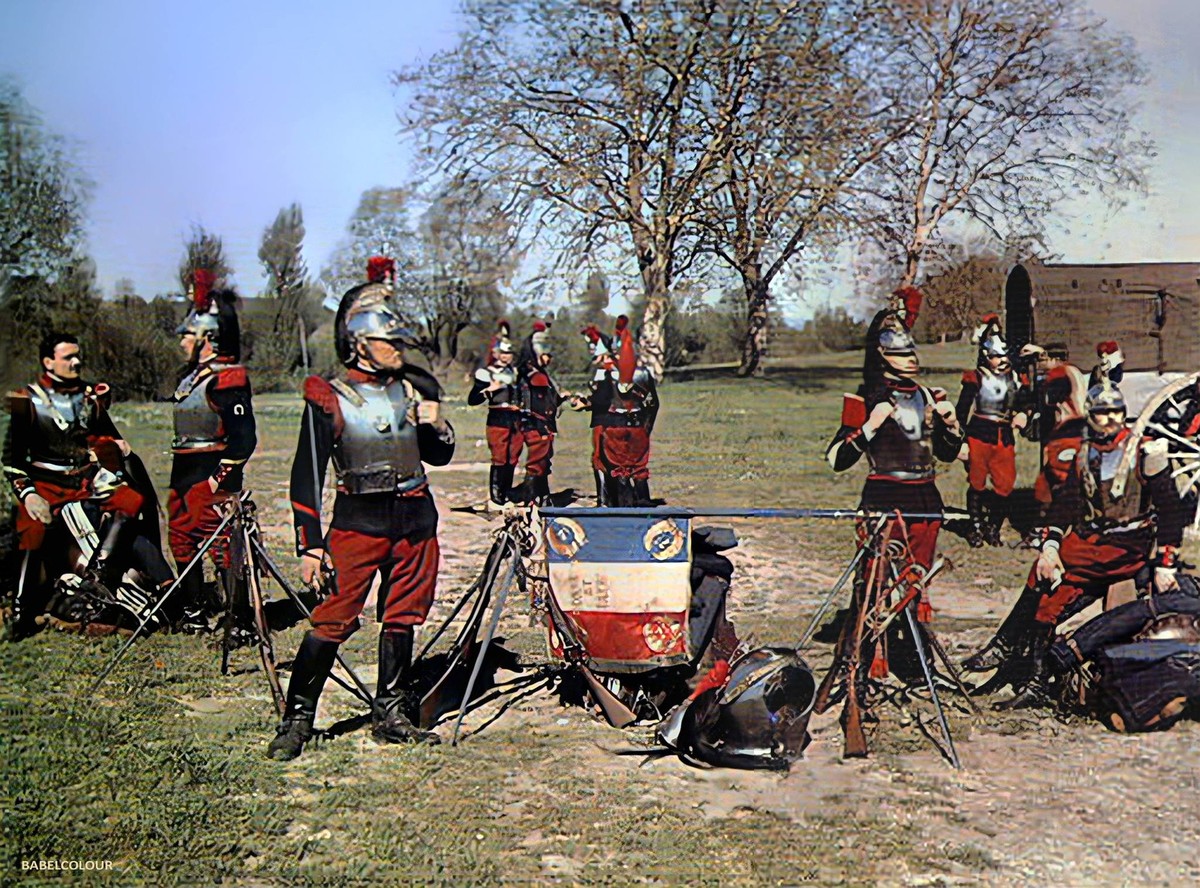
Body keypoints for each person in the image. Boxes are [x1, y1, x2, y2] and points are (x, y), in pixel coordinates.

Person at [270, 257, 455, 760]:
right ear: (360, 343)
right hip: (358, 523)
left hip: (416, 519)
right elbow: (305, 474)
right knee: (331, 618)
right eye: (389, 342)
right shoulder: (329, 396)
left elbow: (440, 455)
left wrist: (435, 426)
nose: (399, 350)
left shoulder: (415, 388)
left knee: (402, 617)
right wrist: (309, 545)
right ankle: (298, 719)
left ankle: (390, 712)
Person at [963, 380, 1189, 708]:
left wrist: (1167, 563)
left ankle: (1005, 645)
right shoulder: (1083, 453)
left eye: (1115, 412)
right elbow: (1066, 501)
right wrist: (1051, 545)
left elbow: (1170, 509)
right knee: (1047, 599)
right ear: (1090, 415)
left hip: (1126, 546)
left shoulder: (1145, 451)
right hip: (1091, 543)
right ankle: (1034, 682)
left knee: (1047, 575)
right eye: (1101, 413)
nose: (1109, 418)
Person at [825, 287, 963, 681]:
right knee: (875, 583)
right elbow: (836, 460)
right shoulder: (866, 397)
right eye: (902, 353)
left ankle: (915, 659)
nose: (912, 359)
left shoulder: (925, 395)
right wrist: (870, 424)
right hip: (883, 496)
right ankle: (865, 660)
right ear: (882, 356)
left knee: (915, 582)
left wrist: (951, 426)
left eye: (912, 351)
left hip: (925, 497)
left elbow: (947, 453)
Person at [3, 332, 143, 638]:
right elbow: (12, 461)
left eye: (78, 356)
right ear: (49, 361)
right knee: (32, 525)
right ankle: (22, 611)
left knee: (130, 500)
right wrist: (28, 495)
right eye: (69, 357)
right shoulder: (24, 400)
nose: (77, 362)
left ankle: (96, 582)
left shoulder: (89, 397)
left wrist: (114, 452)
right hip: (46, 485)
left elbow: (104, 441)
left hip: (86, 481)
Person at [167, 270, 257, 627]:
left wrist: (221, 478)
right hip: (183, 471)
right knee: (180, 537)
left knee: (222, 544)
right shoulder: (190, 376)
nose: (182, 341)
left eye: (188, 335)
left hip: (212, 472)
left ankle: (240, 619)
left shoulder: (228, 377)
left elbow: (245, 437)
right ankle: (194, 610)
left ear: (208, 337)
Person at [955, 314, 1030, 547]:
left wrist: (1024, 413)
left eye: (1004, 356)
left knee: (1005, 484)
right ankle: (975, 528)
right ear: (987, 357)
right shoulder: (976, 378)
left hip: (1004, 436)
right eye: (996, 356)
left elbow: (1024, 401)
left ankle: (993, 527)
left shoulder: (1016, 379)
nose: (1001, 360)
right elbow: (961, 411)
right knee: (977, 482)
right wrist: (961, 441)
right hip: (979, 433)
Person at [581, 318, 659, 507]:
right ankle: (643, 505)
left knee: (613, 466)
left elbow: (599, 402)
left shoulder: (605, 374)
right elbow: (653, 404)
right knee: (639, 470)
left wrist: (585, 402)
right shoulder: (643, 373)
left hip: (613, 425)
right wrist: (646, 427)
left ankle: (611, 505)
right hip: (639, 426)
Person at [512, 321, 563, 505]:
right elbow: (539, 403)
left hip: (541, 424)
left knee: (543, 461)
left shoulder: (535, 373)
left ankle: (542, 495)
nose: (549, 359)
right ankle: (531, 496)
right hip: (537, 425)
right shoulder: (535, 375)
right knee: (537, 461)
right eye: (546, 355)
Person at [468, 333, 520, 508]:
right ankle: (496, 497)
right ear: (497, 354)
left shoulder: (515, 372)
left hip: (515, 418)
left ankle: (507, 493)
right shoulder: (486, 373)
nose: (506, 357)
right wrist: (491, 389)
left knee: (513, 457)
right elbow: (472, 399)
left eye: (509, 353)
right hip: (497, 417)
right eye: (503, 353)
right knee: (499, 457)